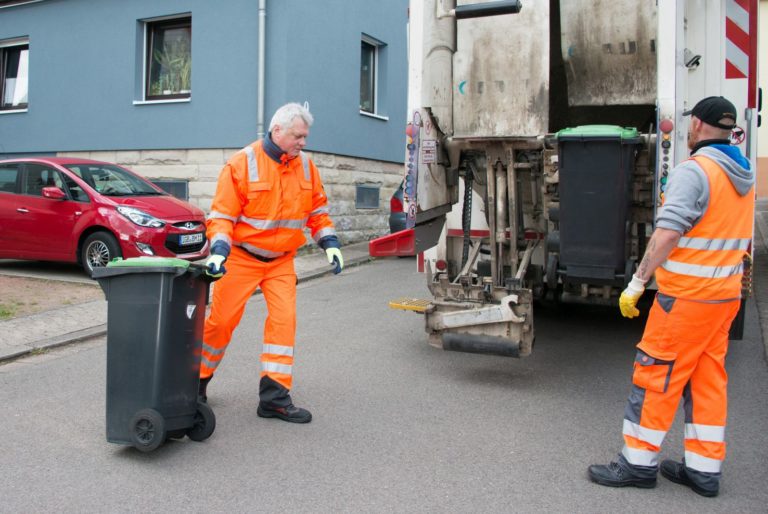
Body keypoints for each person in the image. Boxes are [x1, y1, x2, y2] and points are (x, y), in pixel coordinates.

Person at [588, 96, 754, 497]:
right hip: (723, 298)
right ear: (730, 130)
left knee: (656, 377)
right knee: (707, 380)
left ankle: (637, 464)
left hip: (686, 301)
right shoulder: (743, 173)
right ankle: (703, 470)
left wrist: (638, 282)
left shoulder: (695, 172)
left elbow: (667, 234)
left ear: (696, 125)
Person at [199, 102, 344, 424]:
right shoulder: (242, 163)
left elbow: (317, 211)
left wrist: (330, 243)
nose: (303, 143)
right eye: (298, 136)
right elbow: (222, 216)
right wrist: (219, 250)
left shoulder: (306, 166)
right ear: (277, 131)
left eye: (305, 137)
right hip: (241, 258)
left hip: (281, 262)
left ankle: (274, 399)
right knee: (220, 324)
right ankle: (194, 384)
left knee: (284, 322)